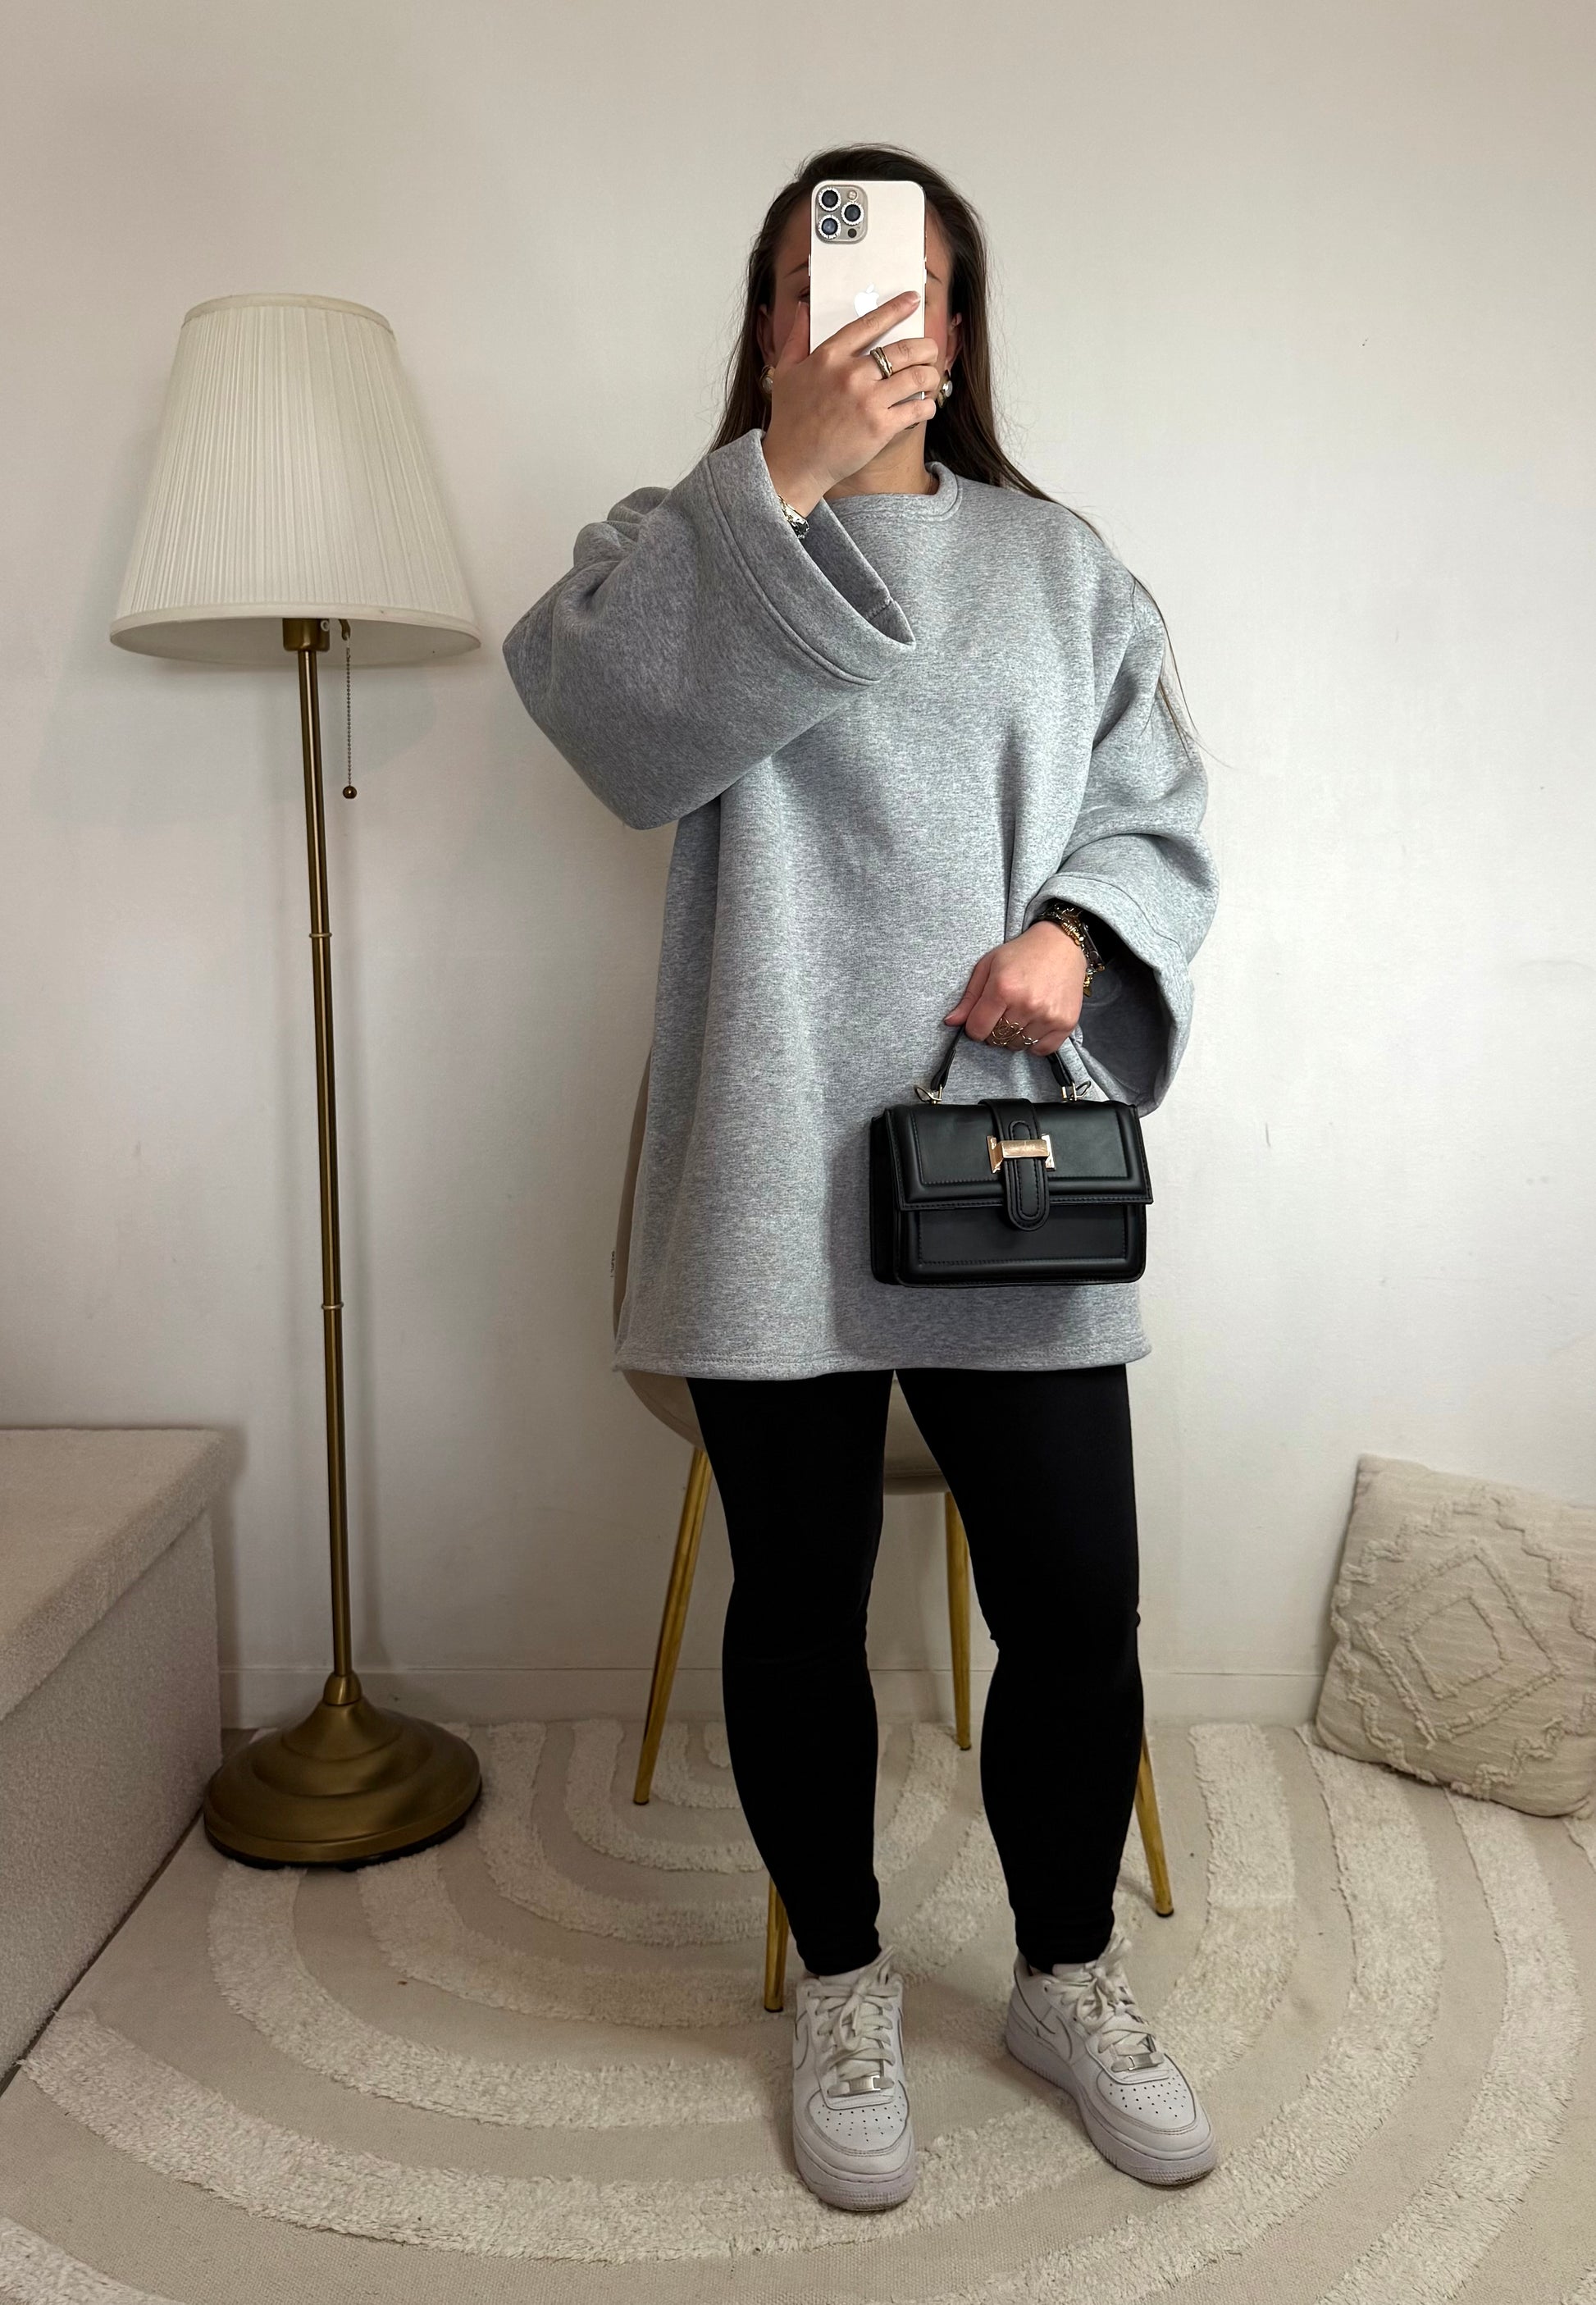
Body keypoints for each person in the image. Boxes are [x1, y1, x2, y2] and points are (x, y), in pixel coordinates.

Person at [503, 143, 1220, 2211]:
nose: (865, 316)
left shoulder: (1061, 566)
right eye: (814, 285)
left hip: (1011, 1155)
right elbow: (614, 733)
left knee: (1075, 1603)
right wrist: (788, 479)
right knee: (800, 1603)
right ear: (767, 323)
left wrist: (1076, 934)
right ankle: (839, 1975)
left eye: (912, 286)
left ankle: (1064, 1973)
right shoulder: (670, 543)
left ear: (960, 332)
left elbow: (1158, 806)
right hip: (766, 1154)